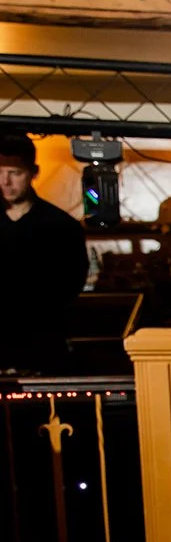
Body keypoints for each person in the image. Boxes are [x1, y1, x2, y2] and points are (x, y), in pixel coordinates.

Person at [0, 134, 89, 372]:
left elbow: (70, 285)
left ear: (34, 172)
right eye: (0, 172)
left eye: (14, 173)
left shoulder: (62, 227)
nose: (5, 182)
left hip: (43, 346)